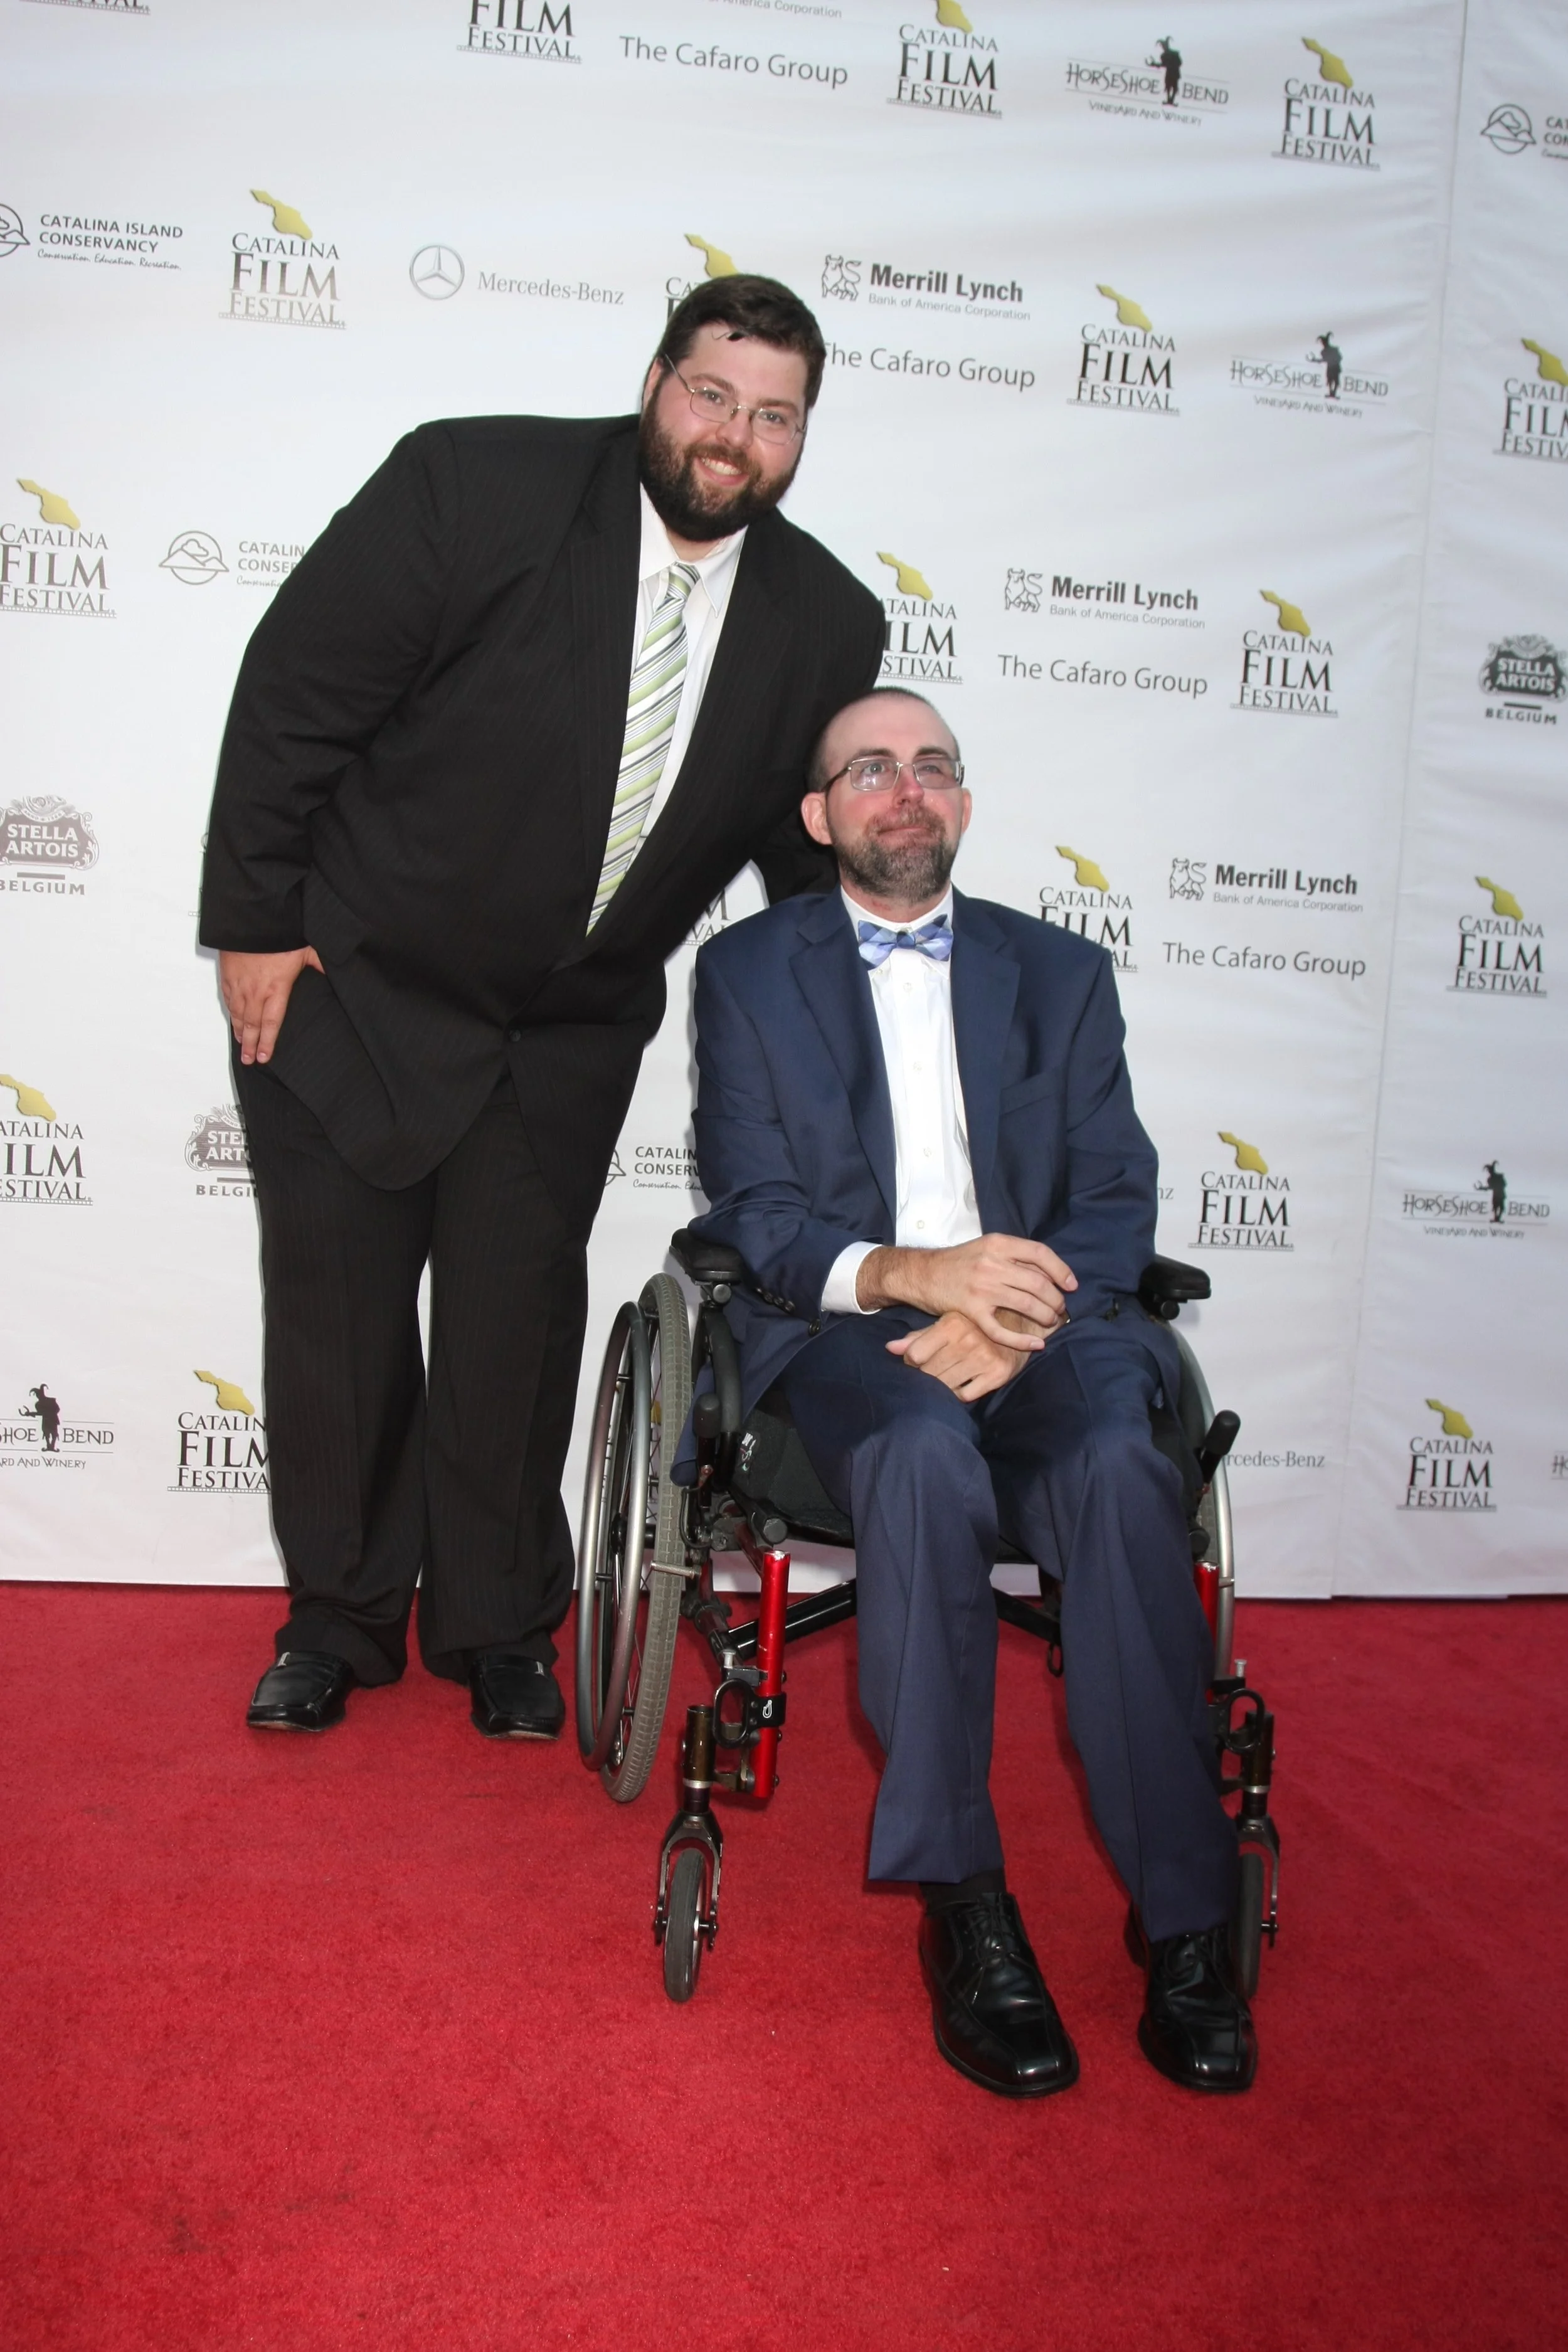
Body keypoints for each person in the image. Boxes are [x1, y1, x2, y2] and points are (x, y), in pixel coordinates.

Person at [199, 277, 884, 1740]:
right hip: (349, 988)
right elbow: (294, 695)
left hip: (561, 1034)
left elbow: (794, 859)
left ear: (801, 436)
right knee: (341, 1324)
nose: (732, 439)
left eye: (773, 418)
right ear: (655, 384)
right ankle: (337, 1618)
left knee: (516, 1332)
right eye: (712, 396)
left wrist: (852, 1032)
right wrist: (254, 926)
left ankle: (501, 1628)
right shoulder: (474, 485)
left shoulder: (826, 619)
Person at [687, 687, 1256, 2097]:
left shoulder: (1058, 972)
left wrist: (1013, 1312)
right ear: (820, 815)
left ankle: (1185, 1918)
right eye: (870, 770)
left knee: (1124, 1468)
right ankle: (965, 1902)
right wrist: (917, 1278)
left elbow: (1116, 1189)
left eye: (932, 768)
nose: (906, 791)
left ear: (962, 801)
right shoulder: (748, 972)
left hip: (1050, 1326)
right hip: (855, 1332)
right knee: (925, 1458)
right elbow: (755, 1214)